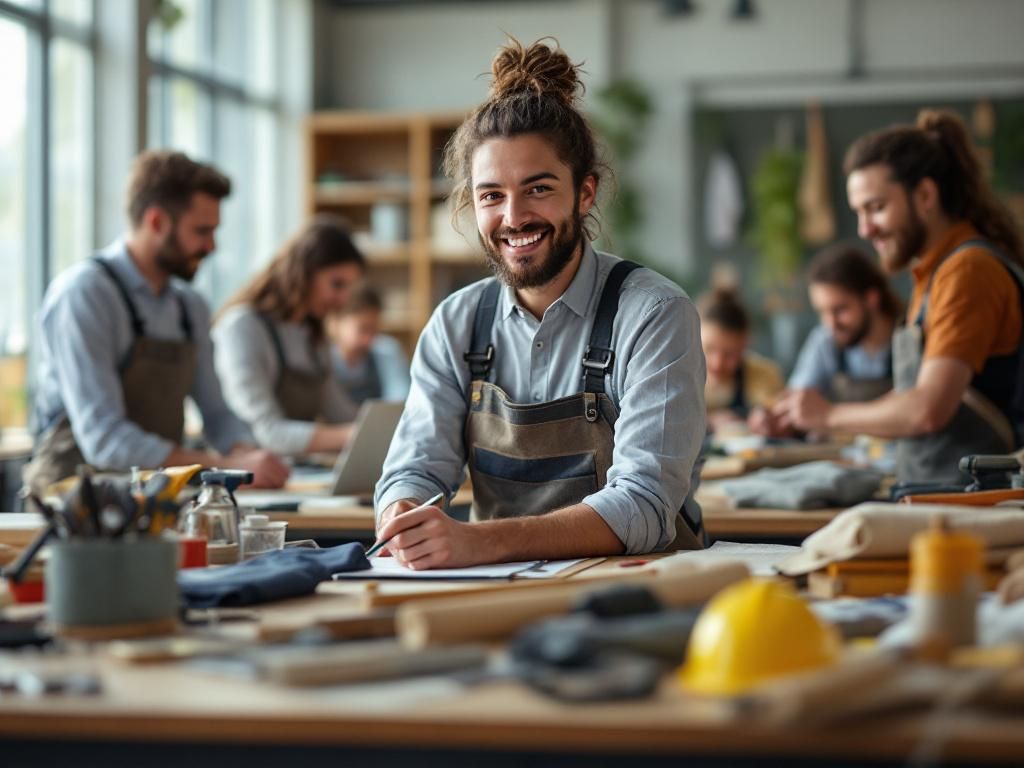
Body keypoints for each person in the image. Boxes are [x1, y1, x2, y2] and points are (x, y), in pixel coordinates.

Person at [373, 38, 706, 570]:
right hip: (495, 594)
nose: (514, 216)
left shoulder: (653, 314)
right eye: (491, 195)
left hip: (634, 598)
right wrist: (404, 514)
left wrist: (480, 542)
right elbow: (415, 469)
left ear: (586, 192)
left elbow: (644, 504)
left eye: (538, 189)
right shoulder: (456, 323)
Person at [774, 109, 1024, 485]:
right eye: (859, 213)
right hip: (946, 496)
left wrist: (827, 415)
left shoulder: (967, 270)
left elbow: (927, 410)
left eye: (876, 208)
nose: (864, 229)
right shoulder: (935, 273)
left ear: (925, 194)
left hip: (980, 506)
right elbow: (914, 397)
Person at [25, 150, 290, 491]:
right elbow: (105, 440)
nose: (211, 246)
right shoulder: (84, 294)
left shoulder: (189, 306)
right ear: (156, 222)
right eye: (201, 231)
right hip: (72, 508)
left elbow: (218, 414)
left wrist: (248, 454)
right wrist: (226, 466)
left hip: (153, 503)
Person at [212, 216, 365, 456]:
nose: (343, 300)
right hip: (247, 478)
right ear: (303, 272)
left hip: (292, 473)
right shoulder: (242, 327)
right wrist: (358, 434)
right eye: (336, 284)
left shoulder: (312, 334)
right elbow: (266, 433)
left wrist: (383, 427)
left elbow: (340, 412)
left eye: (348, 288)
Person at [787, 242, 901, 403]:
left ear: (871, 299)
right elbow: (796, 398)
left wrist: (827, 416)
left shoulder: (911, 337)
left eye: (840, 310)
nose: (830, 323)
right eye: (822, 311)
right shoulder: (825, 341)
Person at [697, 287, 782, 432]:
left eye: (729, 354)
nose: (717, 363)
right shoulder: (677, 374)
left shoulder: (764, 374)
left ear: (745, 346)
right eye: (709, 349)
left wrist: (769, 419)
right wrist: (709, 421)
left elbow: (780, 416)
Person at [327, 284, 411, 404]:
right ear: (336, 323)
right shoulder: (323, 358)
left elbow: (399, 400)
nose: (369, 339)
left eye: (374, 329)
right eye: (363, 329)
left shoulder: (387, 351)